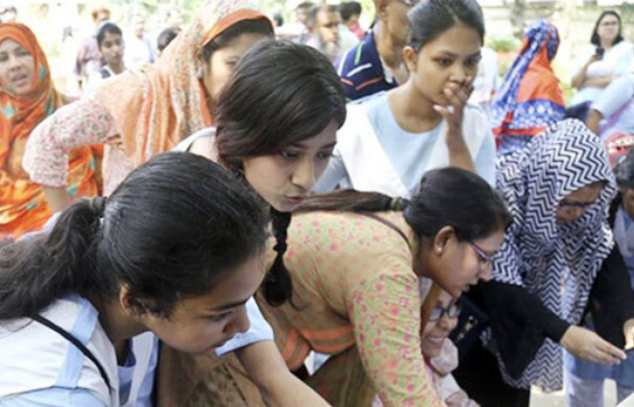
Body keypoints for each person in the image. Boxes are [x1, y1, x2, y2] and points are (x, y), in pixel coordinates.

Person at [0, 152, 271, 406]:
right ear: (137, 301)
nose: (243, 326)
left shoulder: (103, 253)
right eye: (222, 314)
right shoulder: (64, 391)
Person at [159, 39, 346, 407]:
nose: (307, 178)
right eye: (290, 153)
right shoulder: (206, 204)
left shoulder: (232, 165)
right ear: (246, 133)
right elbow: (266, 369)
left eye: (324, 154)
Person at [257, 167, 510, 406]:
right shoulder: (388, 273)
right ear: (444, 238)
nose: (486, 274)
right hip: (238, 356)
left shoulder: (394, 229)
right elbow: (409, 398)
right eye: (483, 257)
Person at [453, 119, 634, 407]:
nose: (577, 213)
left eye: (587, 205)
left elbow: (601, 255)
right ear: (545, 187)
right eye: (568, 204)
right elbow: (497, 282)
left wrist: (629, 318)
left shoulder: (579, 206)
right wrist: (562, 332)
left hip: (519, 330)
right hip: (470, 326)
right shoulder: (501, 192)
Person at [23, 0, 275, 209]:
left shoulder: (251, 109)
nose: (247, 77)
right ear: (200, 58)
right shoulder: (138, 95)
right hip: (134, 252)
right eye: (234, 64)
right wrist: (64, 224)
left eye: (257, 66)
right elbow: (46, 139)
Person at [316, 0, 496, 197]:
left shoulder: (474, 127)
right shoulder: (357, 124)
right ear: (411, 58)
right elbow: (304, 194)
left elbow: (482, 220)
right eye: (444, 62)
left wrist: (457, 144)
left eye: (471, 62)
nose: (460, 75)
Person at [0, 23, 101, 244]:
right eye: (3, 58)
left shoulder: (69, 110)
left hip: (76, 228)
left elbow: (102, 171)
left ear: (38, 57)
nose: (15, 64)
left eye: (22, 53)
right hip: (11, 239)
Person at [565, 138, 634, 406]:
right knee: (586, 370)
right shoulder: (597, 200)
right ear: (622, 186)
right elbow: (602, 261)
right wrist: (616, 311)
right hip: (595, 284)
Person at [373, 288, 479, 407]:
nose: (448, 324)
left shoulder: (432, 363)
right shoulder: (378, 382)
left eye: (454, 307)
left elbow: (455, 395)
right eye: (434, 311)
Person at [491, 20, 565, 155]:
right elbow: (550, 133)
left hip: (502, 158)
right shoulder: (546, 80)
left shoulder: (513, 76)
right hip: (532, 161)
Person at [335, 0, 417, 101]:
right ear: (382, 9)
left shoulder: (427, 61)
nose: (425, 13)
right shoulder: (350, 76)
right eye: (415, 3)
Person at [569, 10, 634, 116]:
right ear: (598, 29)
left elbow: (618, 80)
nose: (610, 27)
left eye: (614, 23)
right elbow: (574, 83)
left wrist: (586, 82)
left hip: (608, 104)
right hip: (581, 103)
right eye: (606, 24)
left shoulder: (625, 49)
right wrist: (589, 63)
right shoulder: (586, 50)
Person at [82, 23, 126, 97]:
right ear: (100, 50)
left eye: (118, 43)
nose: (115, 49)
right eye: (108, 45)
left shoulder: (134, 73)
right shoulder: (97, 79)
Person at [74, 5, 111, 89]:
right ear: (95, 20)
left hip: (109, 80)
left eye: (107, 20)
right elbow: (78, 62)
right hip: (92, 81)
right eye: (102, 20)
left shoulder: (112, 38)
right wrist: (79, 81)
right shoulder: (88, 40)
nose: (105, 23)